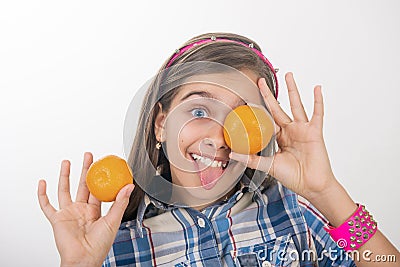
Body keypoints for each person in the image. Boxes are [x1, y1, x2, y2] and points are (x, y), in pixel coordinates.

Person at [38, 32, 399, 267]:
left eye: (242, 117)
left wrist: (326, 192)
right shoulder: (112, 243)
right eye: (198, 110)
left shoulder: (294, 211)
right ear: (160, 123)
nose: (219, 136)